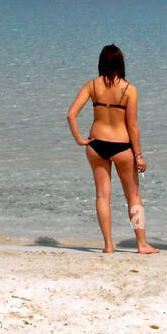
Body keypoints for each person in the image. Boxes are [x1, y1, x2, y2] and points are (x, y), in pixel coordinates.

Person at [66, 44, 156, 254]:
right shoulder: (129, 89)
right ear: (121, 63)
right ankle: (142, 244)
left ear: (101, 62)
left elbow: (71, 114)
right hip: (121, 146)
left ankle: (108, 245)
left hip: (96, 144)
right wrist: (139, 155)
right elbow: (132, 125)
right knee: (133, 196)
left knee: (102, 197)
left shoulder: (92, 85)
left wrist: (79, 139)